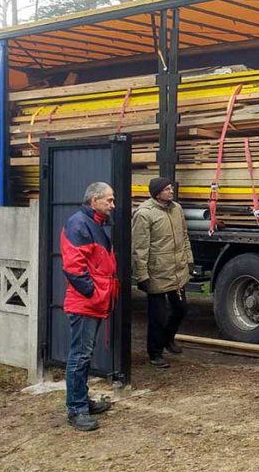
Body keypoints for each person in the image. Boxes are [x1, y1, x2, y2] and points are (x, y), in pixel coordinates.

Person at [61, 182, 119, 432]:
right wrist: (94, 294)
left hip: (92, 301)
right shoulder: (79, 224)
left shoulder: (94, 223)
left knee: (84, 354)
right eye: (109, 200)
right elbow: (74, 267)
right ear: (94, 200)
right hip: (85, 302)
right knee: (80, 356)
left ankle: (82, 401)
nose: (112, 205)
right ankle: (76, 409)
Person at [132, 177, 193, 369]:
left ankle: (168, 339)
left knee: (181, 308)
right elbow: (139, 248)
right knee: (158, 315)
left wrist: (189, 259)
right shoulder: (144, 214)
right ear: (158, 193)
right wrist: (142, 275)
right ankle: (155, 352)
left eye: (171, 188)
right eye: (167, 189)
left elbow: (184, 236)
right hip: (157, 272)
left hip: (177, 270)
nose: (172, 191)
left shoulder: (176, 209)